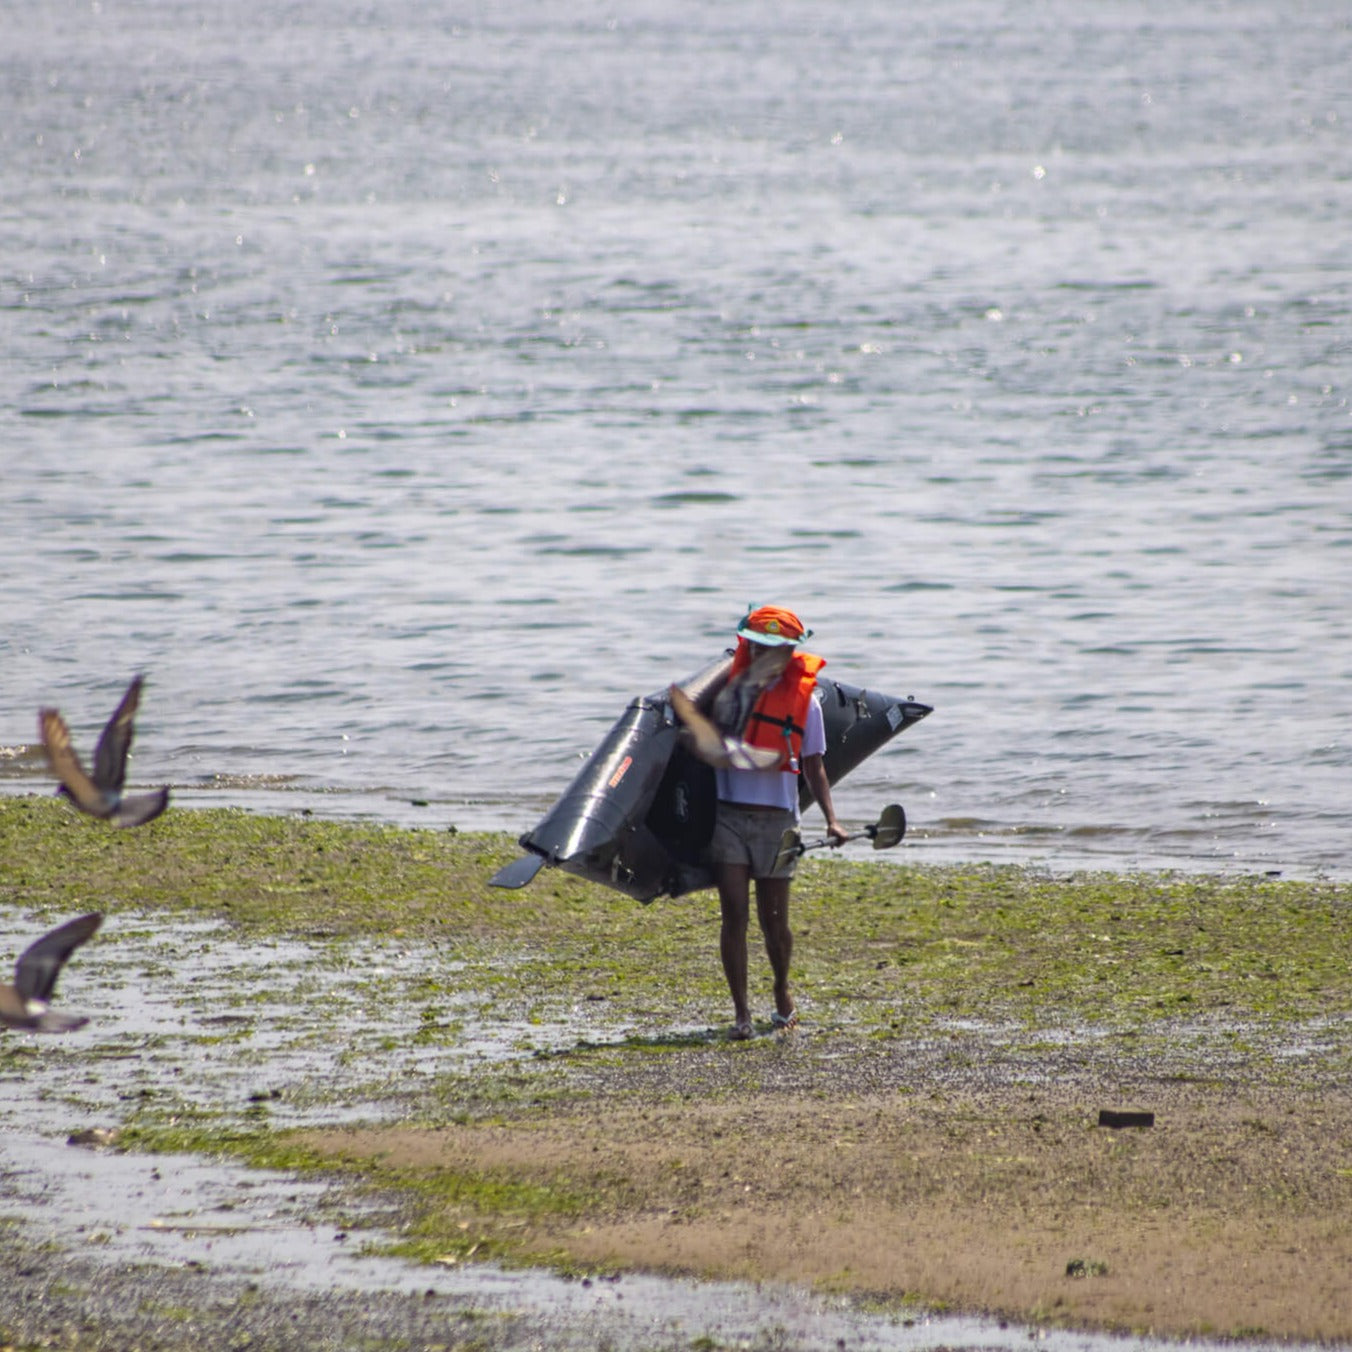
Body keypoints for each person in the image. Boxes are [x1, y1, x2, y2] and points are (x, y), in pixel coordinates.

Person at [707, 605, 847, 1039]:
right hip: (729, 815)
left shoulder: (808, 704)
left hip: (778, 823)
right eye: (761, 648)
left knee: (774, 922)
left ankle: (782, 990)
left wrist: (831, 820)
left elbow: (814, 767)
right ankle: (741, 1015)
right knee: (733, 913)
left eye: (779, 649)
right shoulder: (722, 693)